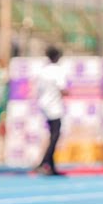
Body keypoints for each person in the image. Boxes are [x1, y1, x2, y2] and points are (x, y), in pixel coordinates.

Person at [33, 46, 68, 176]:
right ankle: (44, 162)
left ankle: (51, 167)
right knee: (55, 135)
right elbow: (62, 88)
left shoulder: (43, 71)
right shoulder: (58, 71)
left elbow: (38, 88)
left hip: (44, 105)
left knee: (52, 134)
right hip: (54, 106)